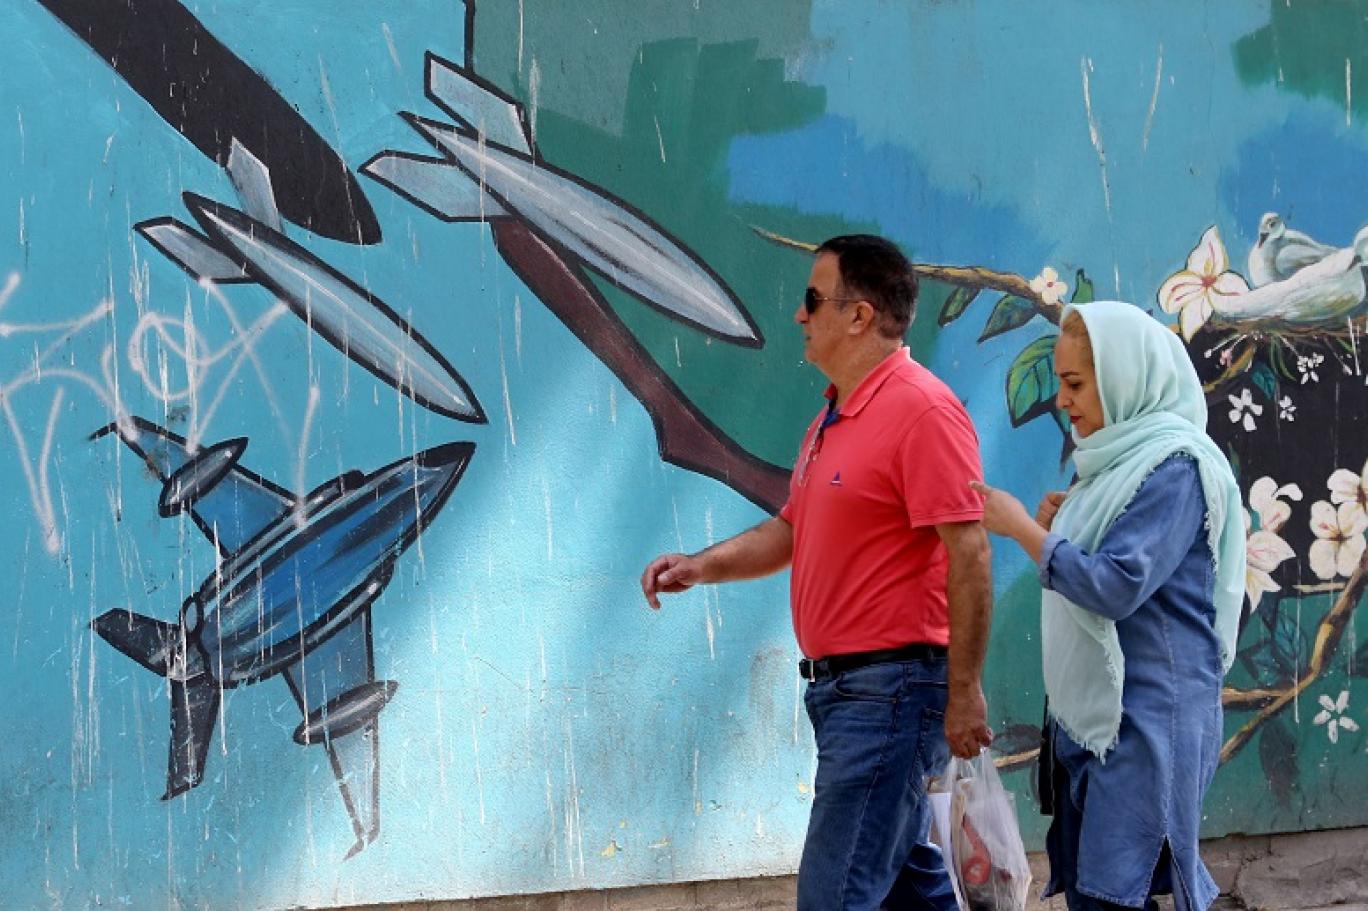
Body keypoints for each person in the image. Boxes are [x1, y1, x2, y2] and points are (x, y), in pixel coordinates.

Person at [641, 235, 994, 911]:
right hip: (848, 695)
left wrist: (964, 689)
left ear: (859, 315)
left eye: (813, 298)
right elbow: (792, 530)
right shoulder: (833, 416)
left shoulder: (923, 410)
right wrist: (700, 566)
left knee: (835, 895)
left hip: (890, 694)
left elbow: (970, 552)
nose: (799, 314)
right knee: (908, 891)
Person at [971, 301, 1245, 911]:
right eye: (1060, 382)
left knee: (1110, 896)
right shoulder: (1112, 464)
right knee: (1098, 892)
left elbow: (1115, 584)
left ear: (1125, 378)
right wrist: (1058, 527)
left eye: (1075, 383)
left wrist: (1024, 530)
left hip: (1149, 721)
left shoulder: (1175, 467)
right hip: (1101, 724)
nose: (1061, 400)